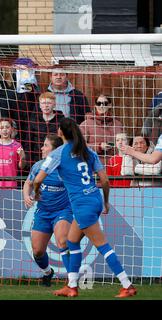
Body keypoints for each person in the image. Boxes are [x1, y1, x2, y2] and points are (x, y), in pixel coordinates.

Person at [33, 117, 136, 298]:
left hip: (82, 205)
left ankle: (127, 285)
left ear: (60, 133)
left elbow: (38, 179)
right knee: (72, 241)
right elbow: (104, 180)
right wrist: (105, 202)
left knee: (102, 245)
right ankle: (71, 286)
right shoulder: (87, 151)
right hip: (94, 198)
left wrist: (36, 192)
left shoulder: (58, 153)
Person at [23, 134, 72, 286]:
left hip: (63, 210)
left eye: (45, 145)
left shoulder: (66, 168)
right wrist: (26, 196)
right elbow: (28, 183)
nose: (42, 148)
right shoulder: (38, 166)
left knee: (62, 241)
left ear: (55, 151)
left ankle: (72, 280)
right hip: (43, 212)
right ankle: (47, 273)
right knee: (37, 251)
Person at [80, 95, 124, 164]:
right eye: (98, 103)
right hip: (94, 164)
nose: (101, 106)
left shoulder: (118, 124)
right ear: (95, 106)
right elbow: (80, 145)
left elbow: (124, 144)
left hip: (115, 164)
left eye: (105, 103)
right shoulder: (86, 124)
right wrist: (99, 146)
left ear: (110, 105)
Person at [28, 92, 65, 164]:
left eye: (49, 103)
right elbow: (29, 141)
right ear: (40, 105)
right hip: (37, 159)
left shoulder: (62, 121)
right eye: (43, 103)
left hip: (56, 159)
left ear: (54, 105)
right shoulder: (34, 120)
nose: (46, 106)